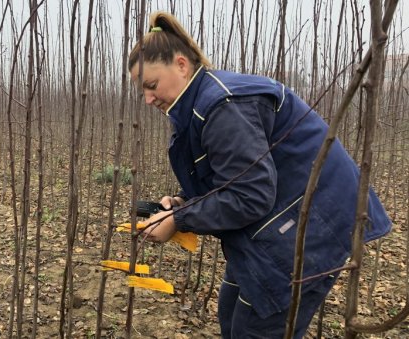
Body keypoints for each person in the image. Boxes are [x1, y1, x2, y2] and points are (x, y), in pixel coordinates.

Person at [129, 11, 391, 338]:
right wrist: (182, 201)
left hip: (310, 230)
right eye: (142, 92)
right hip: (275, 226)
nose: (148, 98)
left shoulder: (222, 104)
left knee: (254, 330)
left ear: (181, 65)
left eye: (151, 86)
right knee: (231, 314)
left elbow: (249, 196)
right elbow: (229, 176)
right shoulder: (199, 104)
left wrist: (180, 220)